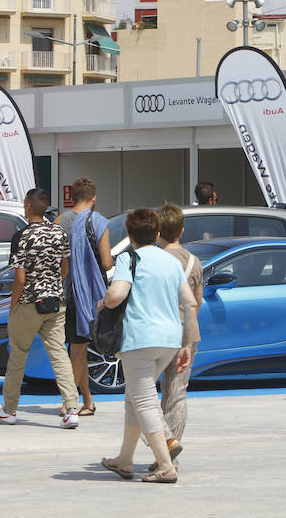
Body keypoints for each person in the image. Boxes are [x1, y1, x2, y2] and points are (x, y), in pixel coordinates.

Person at [98, 209, 196, 484]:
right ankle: (125, 460)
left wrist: (103, 303)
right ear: (156, 234)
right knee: (135, 397)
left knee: (143, 401)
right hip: (169, 340)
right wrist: (186, 344)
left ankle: (165, 465)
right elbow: (189, 303)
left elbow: (117, 294)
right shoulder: (170, 262)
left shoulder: (129, 258)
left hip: (139, 339)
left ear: (129, 235)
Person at [0, 188, 81, 429]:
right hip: (55, 302)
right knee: (59, 354)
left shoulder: (22, 236)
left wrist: (13, 306)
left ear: (28, 206)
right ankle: (71, 408)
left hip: (29, 301)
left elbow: (19, 278)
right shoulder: (59, 233)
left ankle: (9, 409)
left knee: (18, 355)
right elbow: (64, 268)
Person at [54, 177, 113, 416]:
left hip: (67, 293)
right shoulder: (99, 222)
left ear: (73, 197)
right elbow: (107, 262)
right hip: (88, 296)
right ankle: (70, 402)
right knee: (78, 350)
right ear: (94, 197)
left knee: (77, 348)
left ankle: (87, 400)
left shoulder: (59, 221)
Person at [155, 204, 202, 469]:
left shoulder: (156, 259)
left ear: (158, 231)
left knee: (143, 393)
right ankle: (170, 450)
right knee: (177, 394)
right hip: (188, 333)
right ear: (182, 230)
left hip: (159, 331)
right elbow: (197, 302)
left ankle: (166, 442)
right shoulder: (195, 261)